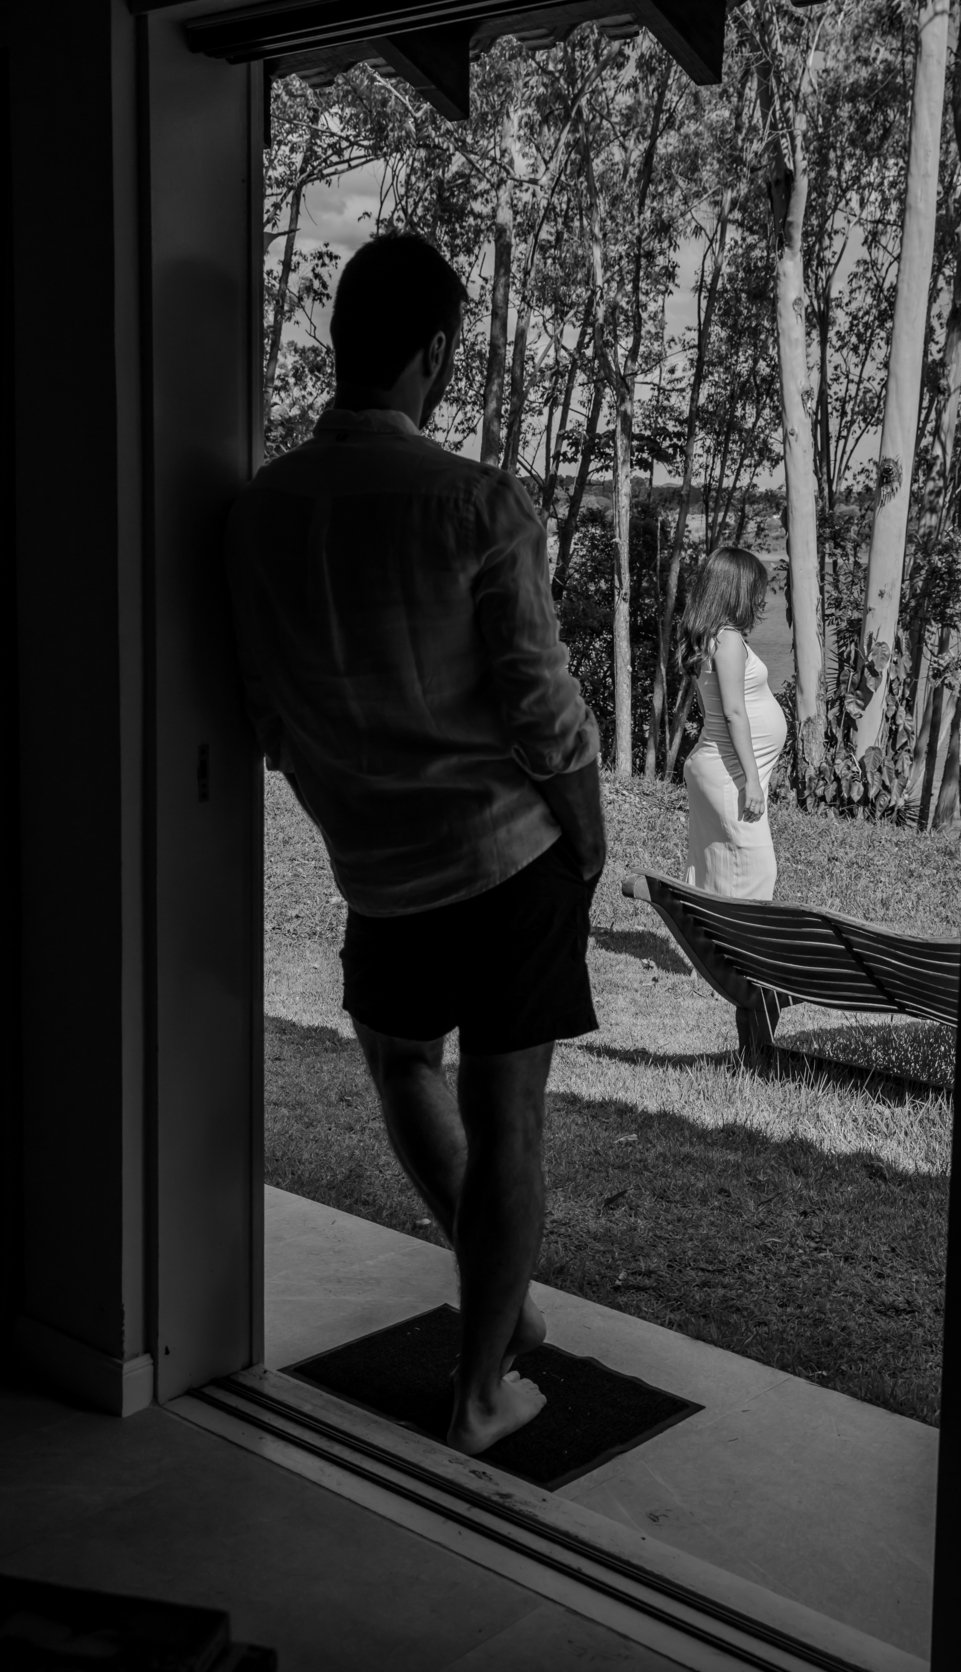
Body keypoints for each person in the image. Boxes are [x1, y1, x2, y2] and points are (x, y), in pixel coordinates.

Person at [224, 233, 605, 1458]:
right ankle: (481, 1390)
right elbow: (543, 709)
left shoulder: (260, 509)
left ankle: (502, 1298)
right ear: (433, 353)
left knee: (401, 1067)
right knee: (510, 1122)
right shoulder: (478, 503)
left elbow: (265, 706)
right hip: (504, 860)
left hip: (379, 869)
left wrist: (345, 795)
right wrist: (588, 841)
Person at [679, 546, 788, 901]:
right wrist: (751, 780)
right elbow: (733, 712)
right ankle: (739, 936)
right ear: (737, 589)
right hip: (730, 775)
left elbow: (711, 705)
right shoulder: (727, 639)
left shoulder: (711, 636)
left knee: (721, 867)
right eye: (756, 589)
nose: (759, 598)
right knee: (757, 869)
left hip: (722, 768)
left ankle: (709, 932)